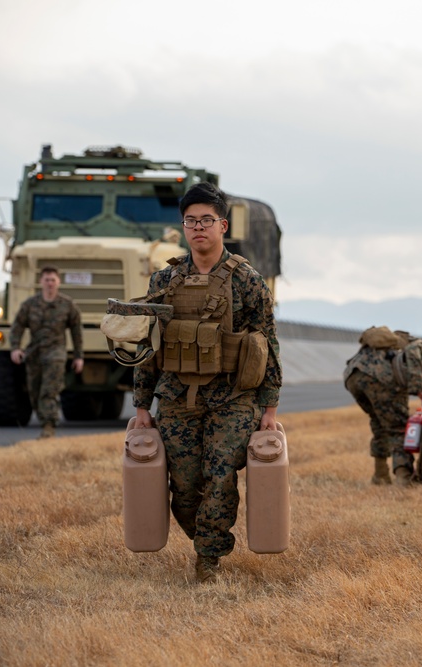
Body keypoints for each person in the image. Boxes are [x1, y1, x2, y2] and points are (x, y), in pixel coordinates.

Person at [133, 181, 282, 583]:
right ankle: (205, 539)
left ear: (223, 225)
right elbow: (147, 346)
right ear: (184, 226)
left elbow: (266, 343)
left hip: (232, 397)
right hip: (178, 395)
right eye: (191, 221)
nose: (199, 227)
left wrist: (269, 408)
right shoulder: (165, 281)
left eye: (207, 220)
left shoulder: (247, 280)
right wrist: (142, 406)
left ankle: (208, 561)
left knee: (219, 478)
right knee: (183, 486)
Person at [344, 331, 422, 486]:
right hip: (379, 377)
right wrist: (419, 388)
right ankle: (404, 479)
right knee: (401, 429)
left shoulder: (397, 349)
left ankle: (380, 475)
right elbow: (413, 351)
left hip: (353, 376)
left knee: (379, 423)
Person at [9, 266, 84, 439]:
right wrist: (15, 348)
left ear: (58, 282)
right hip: (34, 353)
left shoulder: (67, 305)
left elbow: (76, 332)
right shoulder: (30, 305)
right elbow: (17, 327)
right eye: (46, 280)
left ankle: (49, 426)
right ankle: (44, 419)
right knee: (34, 392)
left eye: (53, 280)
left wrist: (78, 356)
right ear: (41, 282)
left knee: (49, 391)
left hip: (56, 354)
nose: (50, 283)